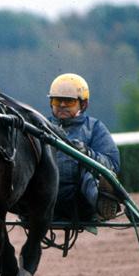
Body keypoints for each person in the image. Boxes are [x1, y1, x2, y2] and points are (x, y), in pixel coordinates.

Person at [47, 73, 121, 221]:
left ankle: (103, 204)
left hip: (80, 203)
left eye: (69, 101)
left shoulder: (95, 128)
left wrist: (87, 153)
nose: (61, 105)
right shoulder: (40, 125)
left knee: (89, 171)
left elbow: (113, 165)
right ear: (51, 103)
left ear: (83, 104)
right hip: (45, 199)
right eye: (57, 100)